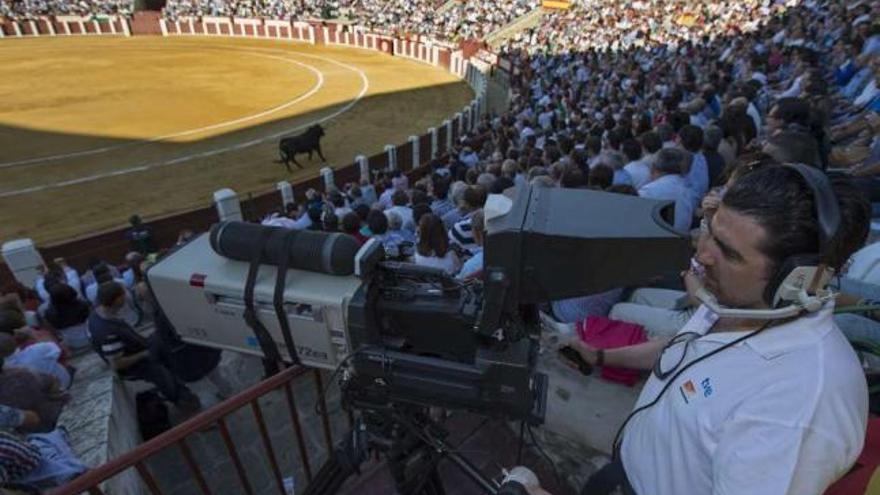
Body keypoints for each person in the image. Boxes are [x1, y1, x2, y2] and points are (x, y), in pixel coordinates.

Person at [550, 166, 871, 495]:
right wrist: (602, 356)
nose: (701, 255)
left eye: (728, 252)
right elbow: (683, 348)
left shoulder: (799, 403)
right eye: (710, 230)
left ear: (797, 280)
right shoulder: (740, 302)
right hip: (624, 473)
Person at [87, 282, 200, 413]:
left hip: (140, 349)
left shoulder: (97, 315)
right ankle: (187, 404)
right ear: (117, 299)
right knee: (163, 376)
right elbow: (117, 364)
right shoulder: (107, 333)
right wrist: (144, 354)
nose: (126, 297)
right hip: (136, 365)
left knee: (163, 339)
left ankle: (181, 380)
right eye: (123, 294)